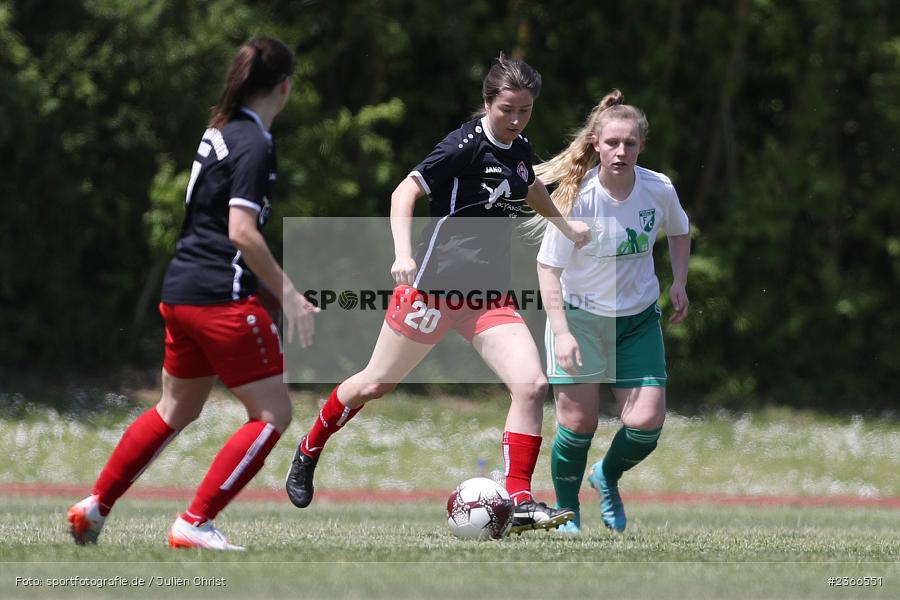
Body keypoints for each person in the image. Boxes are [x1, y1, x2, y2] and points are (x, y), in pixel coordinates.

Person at [285, 54, 591, 534]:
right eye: (507, 110)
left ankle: (521, 499)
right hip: (430, 293)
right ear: (488, 102)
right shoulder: (462, 146)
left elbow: (528, 183)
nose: (515, 120)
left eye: (525, 111)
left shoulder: (518, 146)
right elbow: (404, 191)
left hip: (488, 298)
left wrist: (565, 226)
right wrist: (402, 253)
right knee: (375, 384)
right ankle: (309, 448)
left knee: (531, 385)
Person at [67, 37, 319, 551]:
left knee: (175, 409)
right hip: (220, 297)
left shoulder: (219, 129)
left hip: (181, 291)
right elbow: (242, 231)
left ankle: (94, 506)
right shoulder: (254, 142)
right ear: (285, 87)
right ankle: (195, 522)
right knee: (273, 415)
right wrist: (288, 293)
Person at [533, 89, 691, 533]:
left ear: (642, 146)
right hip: (579, 318)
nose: (621, 151)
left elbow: (680, 232)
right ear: (596, 145)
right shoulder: (577, 197)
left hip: (637, 320)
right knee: (578, 422)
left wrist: (679, 282)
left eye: (631, 144)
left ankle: (607, 475)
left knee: (645, 423)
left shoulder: (657, 188)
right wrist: (561, 332)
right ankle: (567, 513)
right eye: (612, 143)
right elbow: (547, 269)